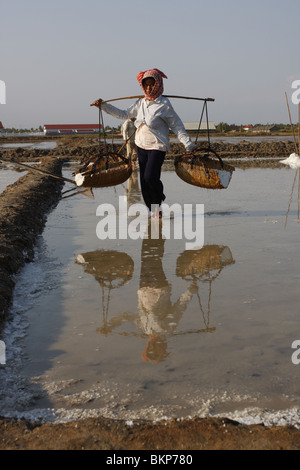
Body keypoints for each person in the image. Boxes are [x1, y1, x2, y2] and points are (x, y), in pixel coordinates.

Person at [91, 68, 197, 218]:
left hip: (157, 146)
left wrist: (188, 144)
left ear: (158, 85)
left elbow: (177, 126)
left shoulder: (164, 105)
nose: (148, 88)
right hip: (140, 145)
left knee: (150, 177)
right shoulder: (140, 103)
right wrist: (103, 106)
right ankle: (153, 210)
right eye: (145, 85)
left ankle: (159, 201)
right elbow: (123, 114)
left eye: (151, 85)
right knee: (143, 182)